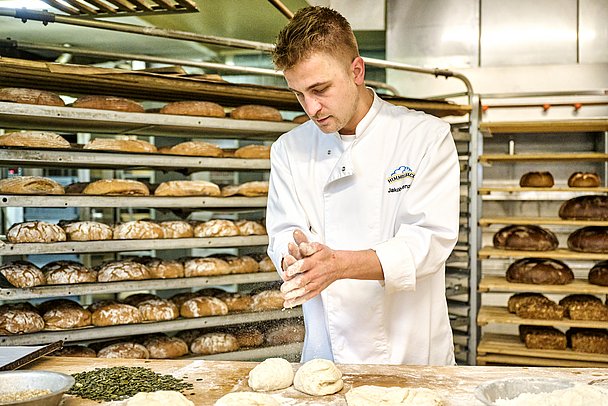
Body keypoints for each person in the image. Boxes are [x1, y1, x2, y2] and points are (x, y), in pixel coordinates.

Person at [266, 6, 460, 366]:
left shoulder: (425, 137)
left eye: (320, 89)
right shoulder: (289, 149)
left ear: (357, 70)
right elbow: (281, 232)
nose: (311, 107)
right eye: (298, 94)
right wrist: (292, 256)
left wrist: (338, 264)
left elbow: (430, 241)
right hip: (327, 359)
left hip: (412, 358)